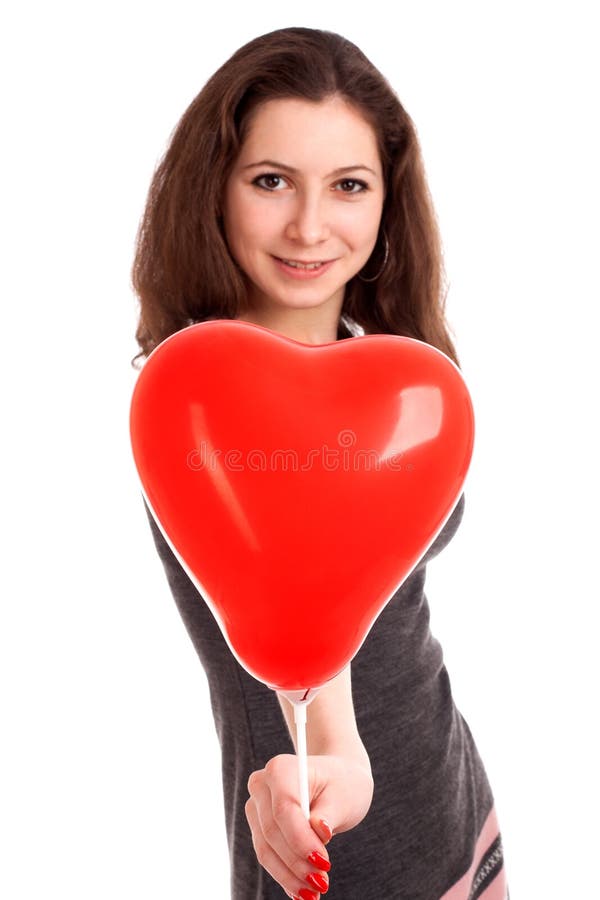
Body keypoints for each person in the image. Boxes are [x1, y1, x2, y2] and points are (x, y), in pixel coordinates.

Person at [130, 27, 509, 900]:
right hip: (330, 848)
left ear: (386, 202)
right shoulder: (193, 400)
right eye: (271, 181)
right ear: (214, 190)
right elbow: (308, 607)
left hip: (450, 795)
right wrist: (336, 752)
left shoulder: (384, 366)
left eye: (348, 186)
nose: (310, 226)